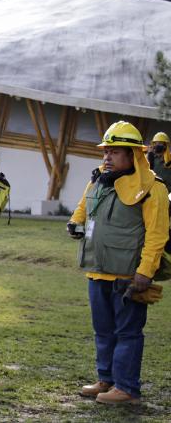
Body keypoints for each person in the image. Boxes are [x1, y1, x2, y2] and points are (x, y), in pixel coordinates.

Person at [67, 121, 168, 405]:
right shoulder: (98, 179)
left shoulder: (152, 188)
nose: (107, 157)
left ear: (133, 154)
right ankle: (107, 380)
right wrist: (74, 223)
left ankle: (127, 388)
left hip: (128, 277)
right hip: (97, 270)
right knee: (103, 330)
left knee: (128, 332)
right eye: (105, 151)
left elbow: (157, 234)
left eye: (114, 152)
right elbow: (82, 208)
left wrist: (145, 272)